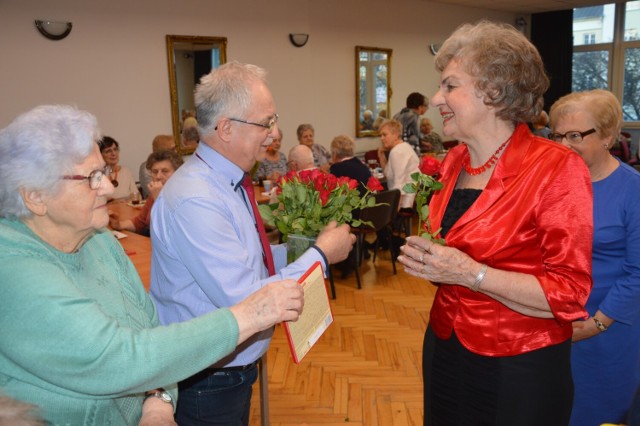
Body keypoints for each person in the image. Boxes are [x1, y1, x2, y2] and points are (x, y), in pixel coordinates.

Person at [0, 104, 305, 425]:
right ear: (35, 195)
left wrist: (158, 402)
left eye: (103, 172)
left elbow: (148, 327)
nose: (109, 186)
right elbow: (120, 357)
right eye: (92, 177)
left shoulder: (100, 240)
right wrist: (250, 314)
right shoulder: (14, 271)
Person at [397, 21, 594, 426]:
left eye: (450, 86)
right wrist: (434, 262)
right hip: (445, 345)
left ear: (494, 91)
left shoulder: (556, 167)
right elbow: (459, 257)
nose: (436, 98)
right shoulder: (454, 162)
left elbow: (570, 294)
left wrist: (472, 273)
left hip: (520, 363)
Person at [149, 61, 355, 425]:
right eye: (266, 122)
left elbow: (249, 257)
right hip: (208, 379)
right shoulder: (197, 197)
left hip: (227, 371)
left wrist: (302, 246)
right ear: (225, 128)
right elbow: (245, 298)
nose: (274, 134)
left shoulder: (229, 180)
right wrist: (321, 254)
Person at [549, 89, 640, 426]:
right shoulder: (552, 184)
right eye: (557, 135)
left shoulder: (633, 190)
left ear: (608, 136)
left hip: (608, 326)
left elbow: (638, 271)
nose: (563, 145)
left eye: (575, 135)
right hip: (554, 324)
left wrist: (596, 324)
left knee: (595, 412)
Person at [111, 150, 183, 236]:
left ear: (178, 173)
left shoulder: (183, 196)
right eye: (155, 172)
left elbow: (172, 231)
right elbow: (140, 222)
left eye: (165, 171)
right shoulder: (155, 194)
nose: (158, 176)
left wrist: (159, 200)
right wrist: (119, 225)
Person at [377, 119, 419, 209]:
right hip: (409, 194)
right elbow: (388, 174)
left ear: (395, 135)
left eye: (384, 135)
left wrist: (395, 209)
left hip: (404, 200)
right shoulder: (404, 146)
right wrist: (381, 156)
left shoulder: (397, 152)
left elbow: (399, 183)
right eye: (380, 135)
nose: (381, 138)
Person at [99, 135, 140, 201]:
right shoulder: (98, 176)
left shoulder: (126, 171)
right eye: (108, 151)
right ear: (100, 155)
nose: (113, 153)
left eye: (115, 149)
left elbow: (136, 195)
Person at [138, 134, 177, 199]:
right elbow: (152, 191)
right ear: (163, 150)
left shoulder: (177, 164)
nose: (176, 151)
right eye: (173, 149)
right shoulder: (146, 167)